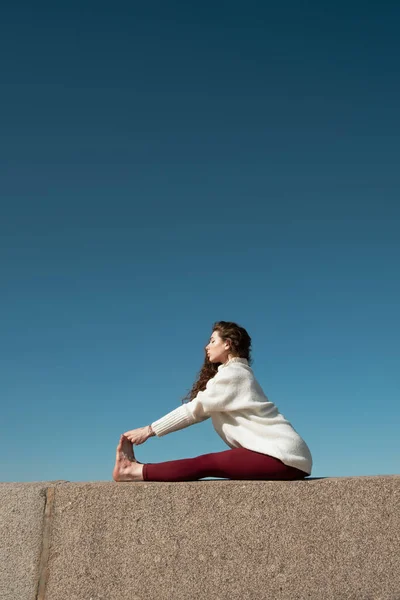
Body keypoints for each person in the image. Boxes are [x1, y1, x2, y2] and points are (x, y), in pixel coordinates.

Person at [112, 320, 312, 482]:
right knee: (208, 462)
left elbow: (194, 410)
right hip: (286, 456)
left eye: (212, 341)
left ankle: (132, 471)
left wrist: (149, 430)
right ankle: (133, 470)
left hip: (283, 455)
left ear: (228, 344)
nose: (207, 346)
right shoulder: (233, 374)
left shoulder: (234, 375)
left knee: (205, 463)